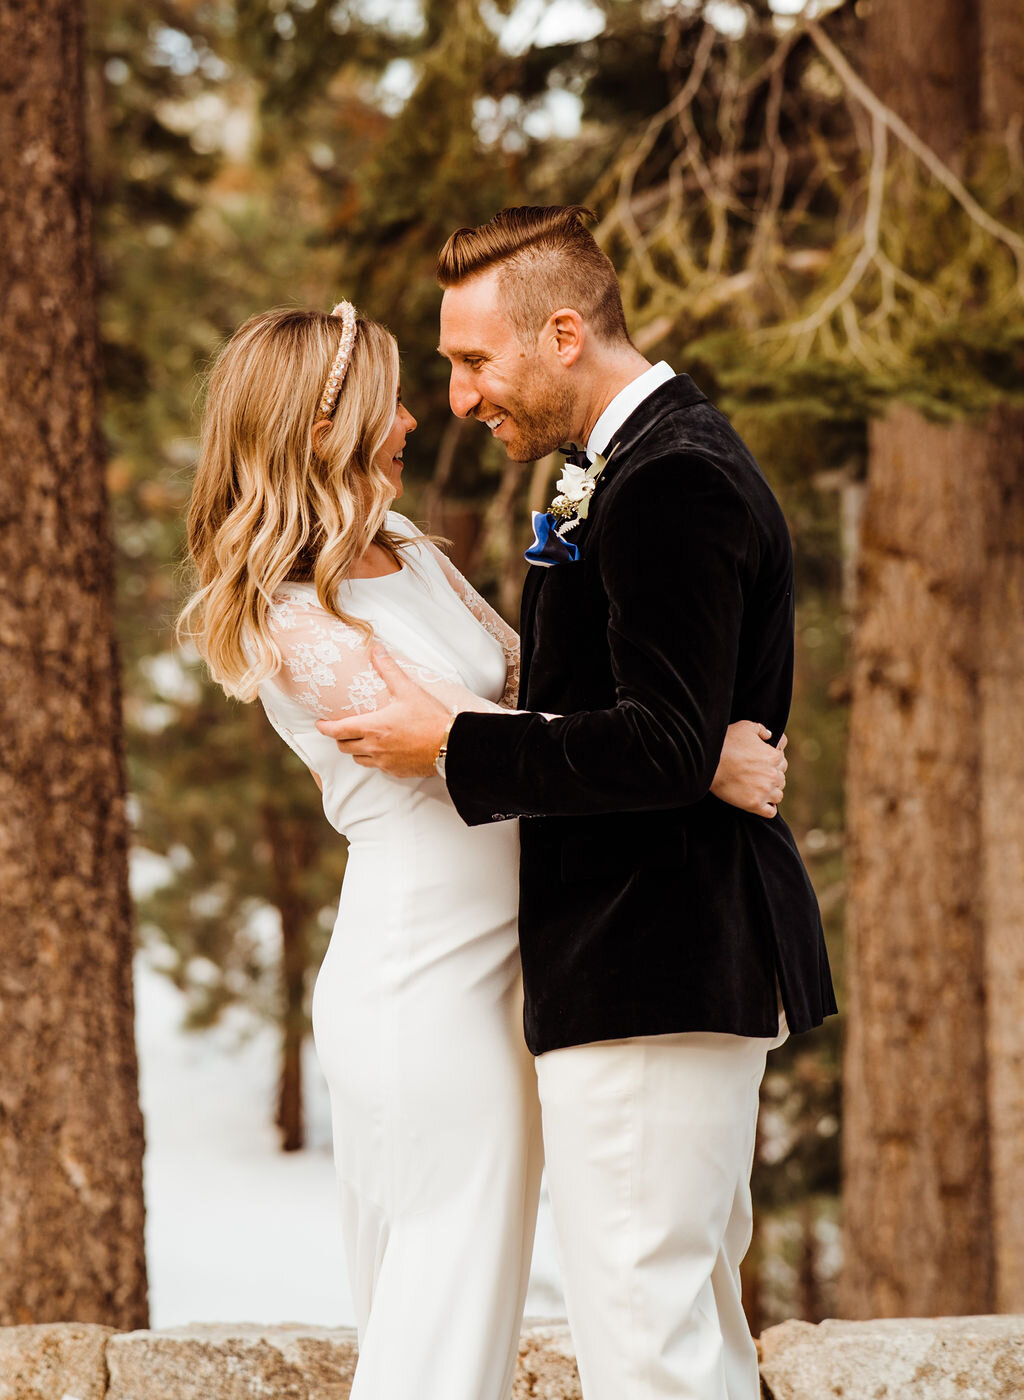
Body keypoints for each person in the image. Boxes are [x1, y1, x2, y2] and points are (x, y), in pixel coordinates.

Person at [178, 297, 789, 1400]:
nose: (417, 418)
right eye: (387, 403)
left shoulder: (404, 549)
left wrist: (657, 726)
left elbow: (525, 689)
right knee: (443, 1301)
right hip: (422, 977)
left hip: (518, 961)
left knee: (491, 1288)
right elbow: (439, 747)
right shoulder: (282, 612)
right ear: (320, 430)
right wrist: (696, 758)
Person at [317, 207, 837, 1400]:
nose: (457, 396)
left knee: (643, 1339)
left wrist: (452, 745)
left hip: (649, 956)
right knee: (674, 1327)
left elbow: (654, 745)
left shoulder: (670, 482)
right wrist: (699, 753)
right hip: (645, 965)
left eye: (472, 361)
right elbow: (661, 729)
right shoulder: (638, 466)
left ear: (562, 334)